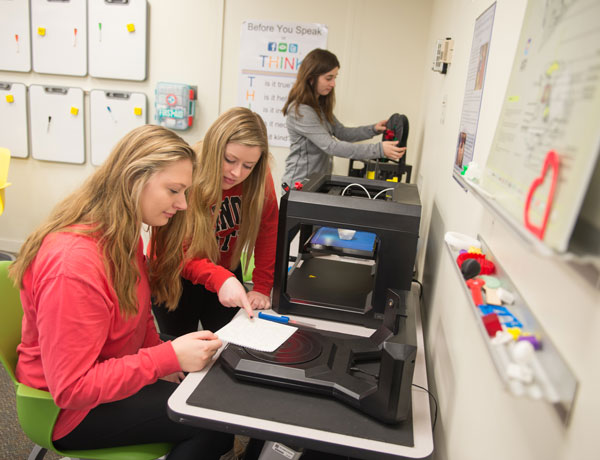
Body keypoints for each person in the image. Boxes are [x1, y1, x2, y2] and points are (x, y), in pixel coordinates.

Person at [8, 125, 234, 459]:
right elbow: (72, 389)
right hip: (67, 411)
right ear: (134, 180)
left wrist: (163, 357)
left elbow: (139, 315)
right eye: (174, 190)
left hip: (108, 377)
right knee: (212, 425)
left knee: (213, 399)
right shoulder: (74, 265)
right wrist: (165, 358)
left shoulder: (121, 237)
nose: (183, 204)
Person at [153, 107, 279, 336]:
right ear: (214, 148)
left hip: (225, 270)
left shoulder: (259, 178)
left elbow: (268, 230)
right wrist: (220, 278)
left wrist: (262, 287)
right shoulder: (187, 170)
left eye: (248, 166)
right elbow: (172, 251)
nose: (236, 173)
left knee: (229, 347)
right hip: (176, 277)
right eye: (229, 159)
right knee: (180, 357)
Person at [281, 48, 406, 187]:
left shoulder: (318, 106)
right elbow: (331, 146)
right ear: (311, 78)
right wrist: (379, 150)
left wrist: (373, 129)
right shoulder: (301, 111)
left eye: (335, 77)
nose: (333, 84)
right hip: (299, 185)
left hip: (317, 181)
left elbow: (342, 132)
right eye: (329, 78)